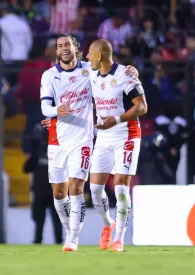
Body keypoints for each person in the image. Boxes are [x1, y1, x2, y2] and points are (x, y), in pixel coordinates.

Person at [39, 34, 138, 252]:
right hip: (57, 139)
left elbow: (110, 70)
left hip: (83, 139)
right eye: (59, 46)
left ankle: (73, 239)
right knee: (58, 193)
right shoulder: (49, 76)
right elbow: (45, 108)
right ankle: (69, 230)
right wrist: (56, 111)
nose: (64, 49)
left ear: (75, 48)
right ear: (56, 51)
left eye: (67, 45)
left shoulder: (89, 70)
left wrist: (131, 72)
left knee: (76, 188)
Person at [86, 39, 148, 252]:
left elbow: (142, 107)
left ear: (99, 56)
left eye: (89, 54)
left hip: (126, 135)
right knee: (95, 190)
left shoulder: (125, 76)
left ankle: (119, 239)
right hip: (103, 137)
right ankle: (107, 224)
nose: (86, 57)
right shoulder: (91, 73)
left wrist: (116, 120)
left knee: (121, 187)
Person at [24, 124, 63, 244]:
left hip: (53, 191)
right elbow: (26, 168)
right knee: (40, 219)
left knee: (56, 219)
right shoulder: (39, 153)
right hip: (43, 191)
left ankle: (56, 240)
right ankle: (40, 240)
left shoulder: (59, 151)